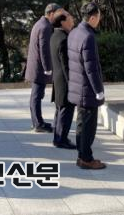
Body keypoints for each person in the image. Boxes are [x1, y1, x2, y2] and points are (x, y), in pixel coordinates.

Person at [68, 2, 106, 170]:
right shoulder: (88, 37)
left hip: (77, 87)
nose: (99, 19)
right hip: (87, 89)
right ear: (92, 18)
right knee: (88, 127)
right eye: (98, 17)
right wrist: (98, 90)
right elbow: (91, 68)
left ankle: (81, 156)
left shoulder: (74, 32)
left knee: (81, 124)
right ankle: (86, 159)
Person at [24, 3, 61, 133]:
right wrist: (47, 68)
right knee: (37, 96)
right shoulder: (45, 27)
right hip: (39, 68)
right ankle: (38, 124)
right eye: (57, 14)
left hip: (36, 66)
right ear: (51, 13)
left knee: (35, 95)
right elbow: (44, 50)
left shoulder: (40, 24)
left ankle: (36, 122)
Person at [50, 11, 76, 149]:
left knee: (60, 111)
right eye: (70, 18)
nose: (72, 20)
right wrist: (72, 84)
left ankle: (58, 138)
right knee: (66, 112)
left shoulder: (55, 35)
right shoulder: (64, 38)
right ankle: (61, 139)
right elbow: (66, 65)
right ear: (62, 22)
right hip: (64, 82)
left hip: (58, 80)